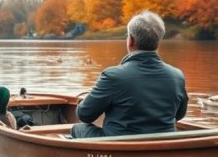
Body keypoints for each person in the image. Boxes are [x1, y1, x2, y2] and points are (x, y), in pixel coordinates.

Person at [71, 10, 188, 138]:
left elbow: (84, 115)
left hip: (119, 147)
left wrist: (83, 102)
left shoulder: (112, 76)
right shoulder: (177, 76)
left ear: (130, 40)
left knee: (78, 128)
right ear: (158, 42)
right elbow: (179, 115)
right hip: (162, 146)